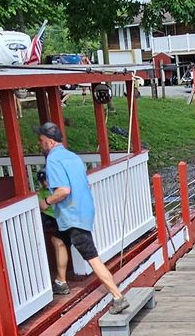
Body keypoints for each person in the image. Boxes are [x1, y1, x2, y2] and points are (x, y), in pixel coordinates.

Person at [38, 122, 129, 311]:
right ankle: (61, 281)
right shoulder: (73, 157)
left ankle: (118, 297)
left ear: (50, 142)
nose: (40, 144)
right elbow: (85, 184)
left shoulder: (53, 160)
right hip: (80, 211)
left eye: (41, 141)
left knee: (92, 256)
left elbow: (63, 190)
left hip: (73, 215)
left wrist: (46, 201)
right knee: (59, 240)